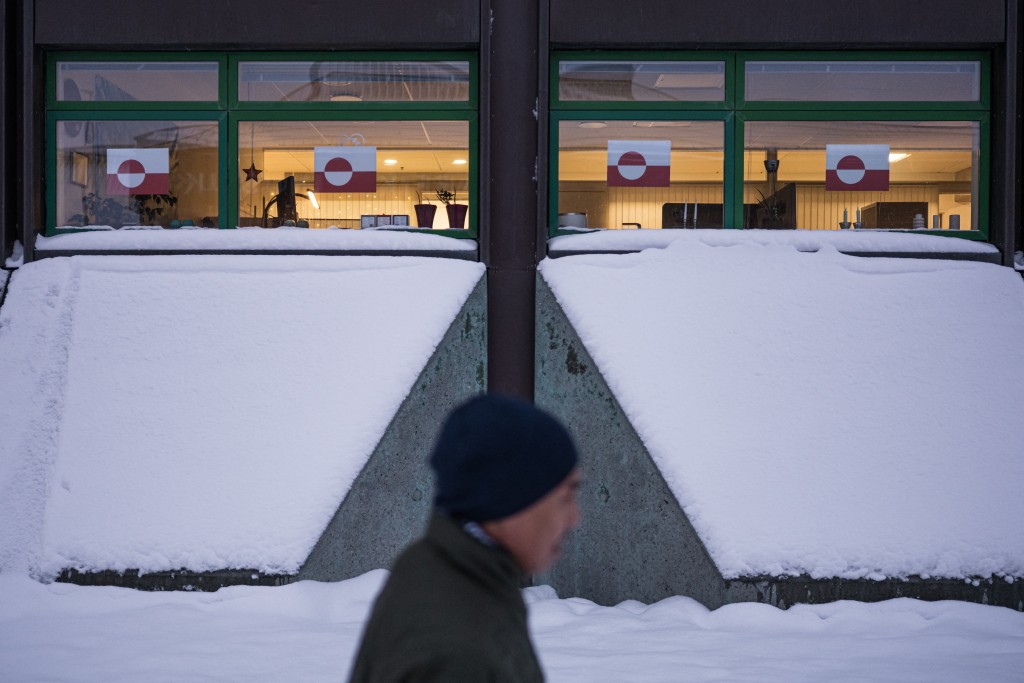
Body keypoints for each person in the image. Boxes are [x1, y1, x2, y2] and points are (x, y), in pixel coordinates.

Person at [348, 393, 581, 683]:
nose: (574, 518)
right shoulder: (456, 656)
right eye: (565, 497)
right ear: (511, 499)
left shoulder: (443, 566)